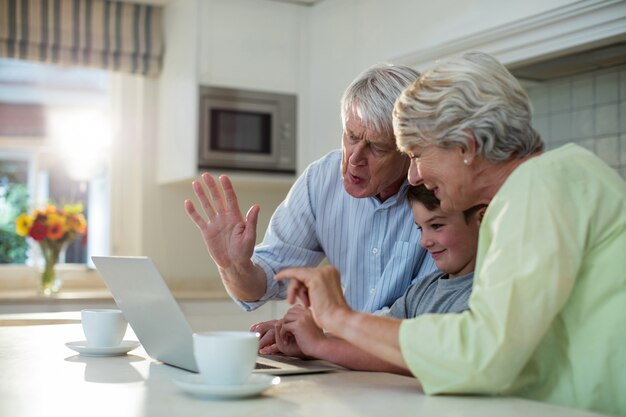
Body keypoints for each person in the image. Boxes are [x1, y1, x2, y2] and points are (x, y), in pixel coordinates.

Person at [273, 52, 626, 416]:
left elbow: (481, 356)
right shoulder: (560, 175)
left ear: (467, 147)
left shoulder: (537, 187)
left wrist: (341, 318)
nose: (413, 176)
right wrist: (329, 336)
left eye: (418, 154)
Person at [184, 64, 437, 321]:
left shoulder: (437, 194)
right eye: (351, 136)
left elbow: (422, 318)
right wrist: (233, 266)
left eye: (377, 148)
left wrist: (323, 333)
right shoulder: (322, 180)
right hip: (342, 354)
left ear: (410, 149)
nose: (355, 158)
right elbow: (260, 284)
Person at [263, 185, 485, 375]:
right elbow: (375, 343)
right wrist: (309, 341)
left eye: (436, 226)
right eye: (420, 228)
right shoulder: (423, 289)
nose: (424, 241)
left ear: (481, 219)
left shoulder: (484, 294)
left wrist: (320, 345)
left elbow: (416, 360)